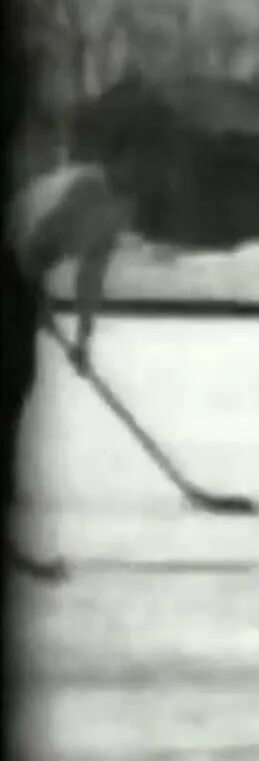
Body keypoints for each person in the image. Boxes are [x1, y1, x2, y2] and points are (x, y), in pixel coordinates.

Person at [4, 161, 131, 581]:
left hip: (22, 273)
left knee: (21, 382)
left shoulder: (114, 214)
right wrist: (27, 293)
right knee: (14, 378)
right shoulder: (75, 190)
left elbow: (90, 277)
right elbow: (24, 239)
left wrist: (84, 338)